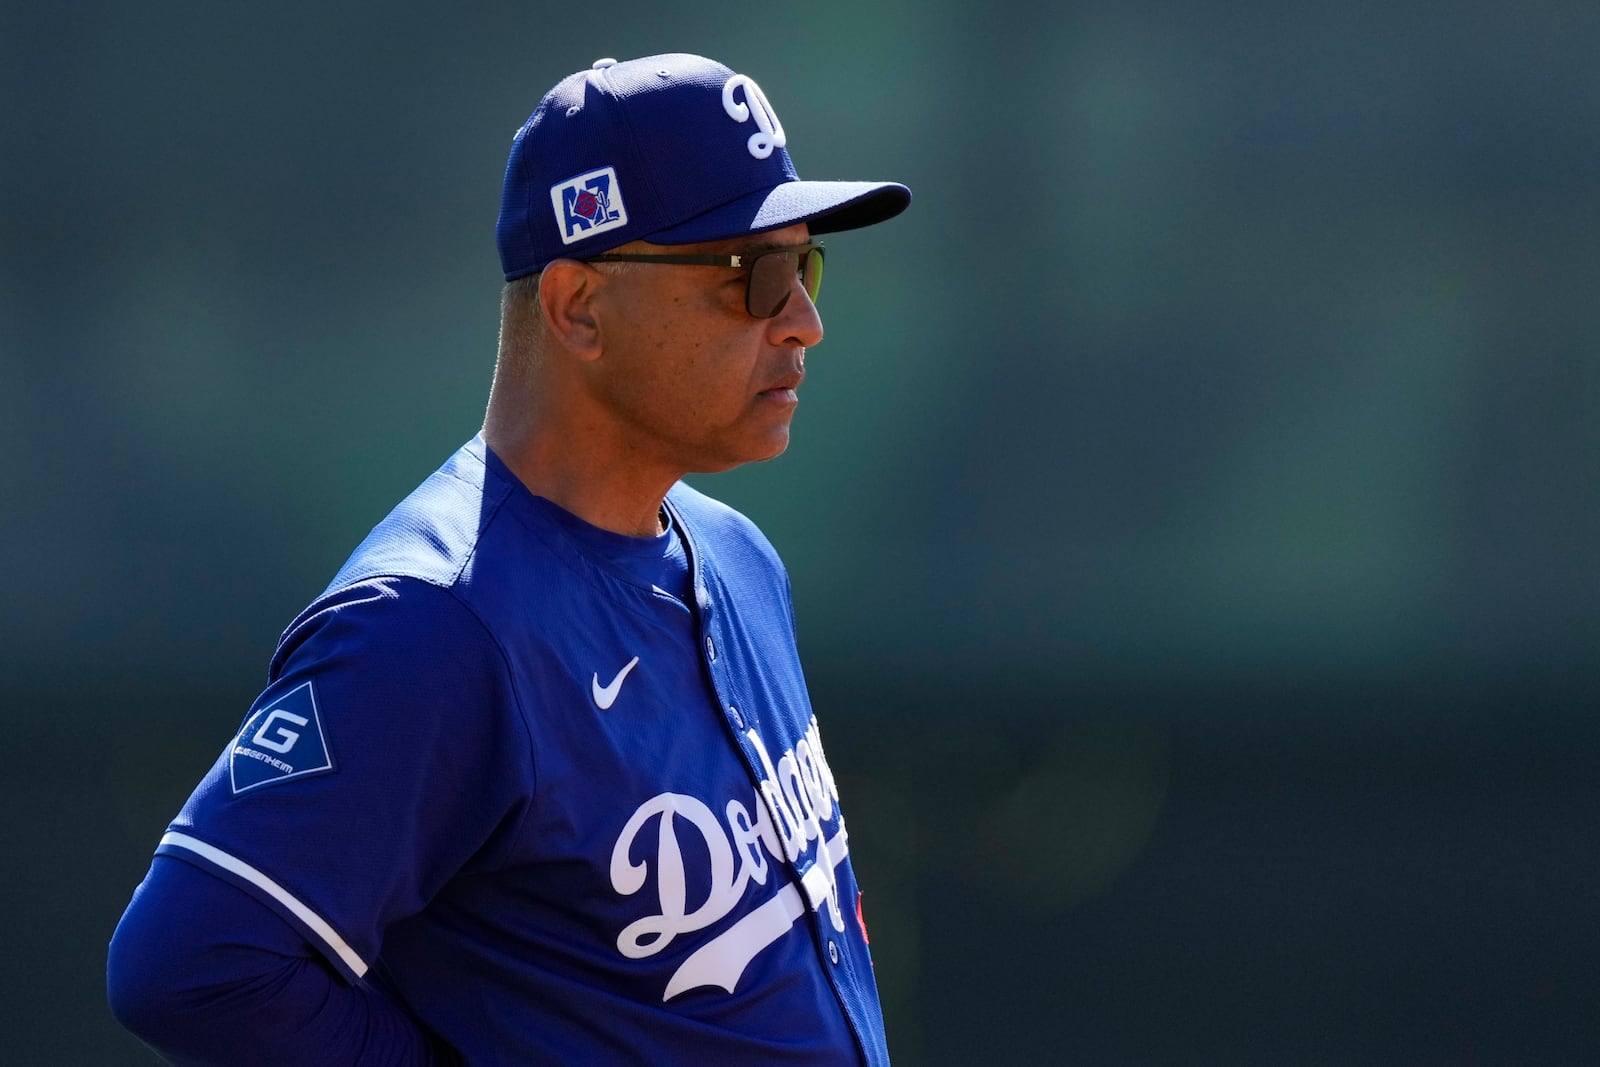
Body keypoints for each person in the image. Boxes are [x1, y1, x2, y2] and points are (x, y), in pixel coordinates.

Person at [106, 53, 910, 1065]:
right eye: (752, 275)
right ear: (576, 304)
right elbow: (190, 963)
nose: (803, 320)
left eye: (807, 266)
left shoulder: (738, 556)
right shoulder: (432, 624)